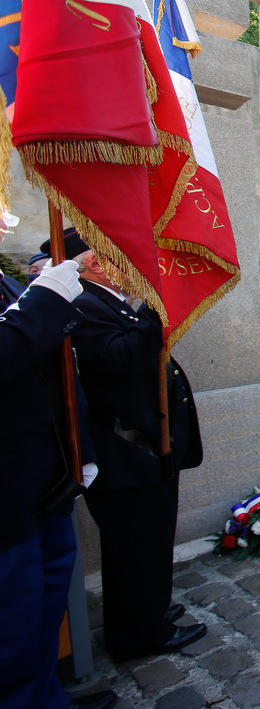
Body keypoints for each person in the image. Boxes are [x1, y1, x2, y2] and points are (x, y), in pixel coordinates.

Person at [56, 232, 208, 663]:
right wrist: (155, 315)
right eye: (115, 258)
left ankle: (149, 610)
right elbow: (118, 359)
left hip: (146, 447)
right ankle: (139, 634)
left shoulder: (107, 301)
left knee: (150, 541)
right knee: (134, 548)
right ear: (94, 264)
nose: (128, 267)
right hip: (127, 449)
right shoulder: (84, 305)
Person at [0, 249, 120, 709]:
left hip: (41, 475)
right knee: (11, 623)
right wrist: (43, 302)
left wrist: (78, 449)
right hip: (7, 487)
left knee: (41, 610)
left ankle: (45, 698)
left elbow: (54, 372)